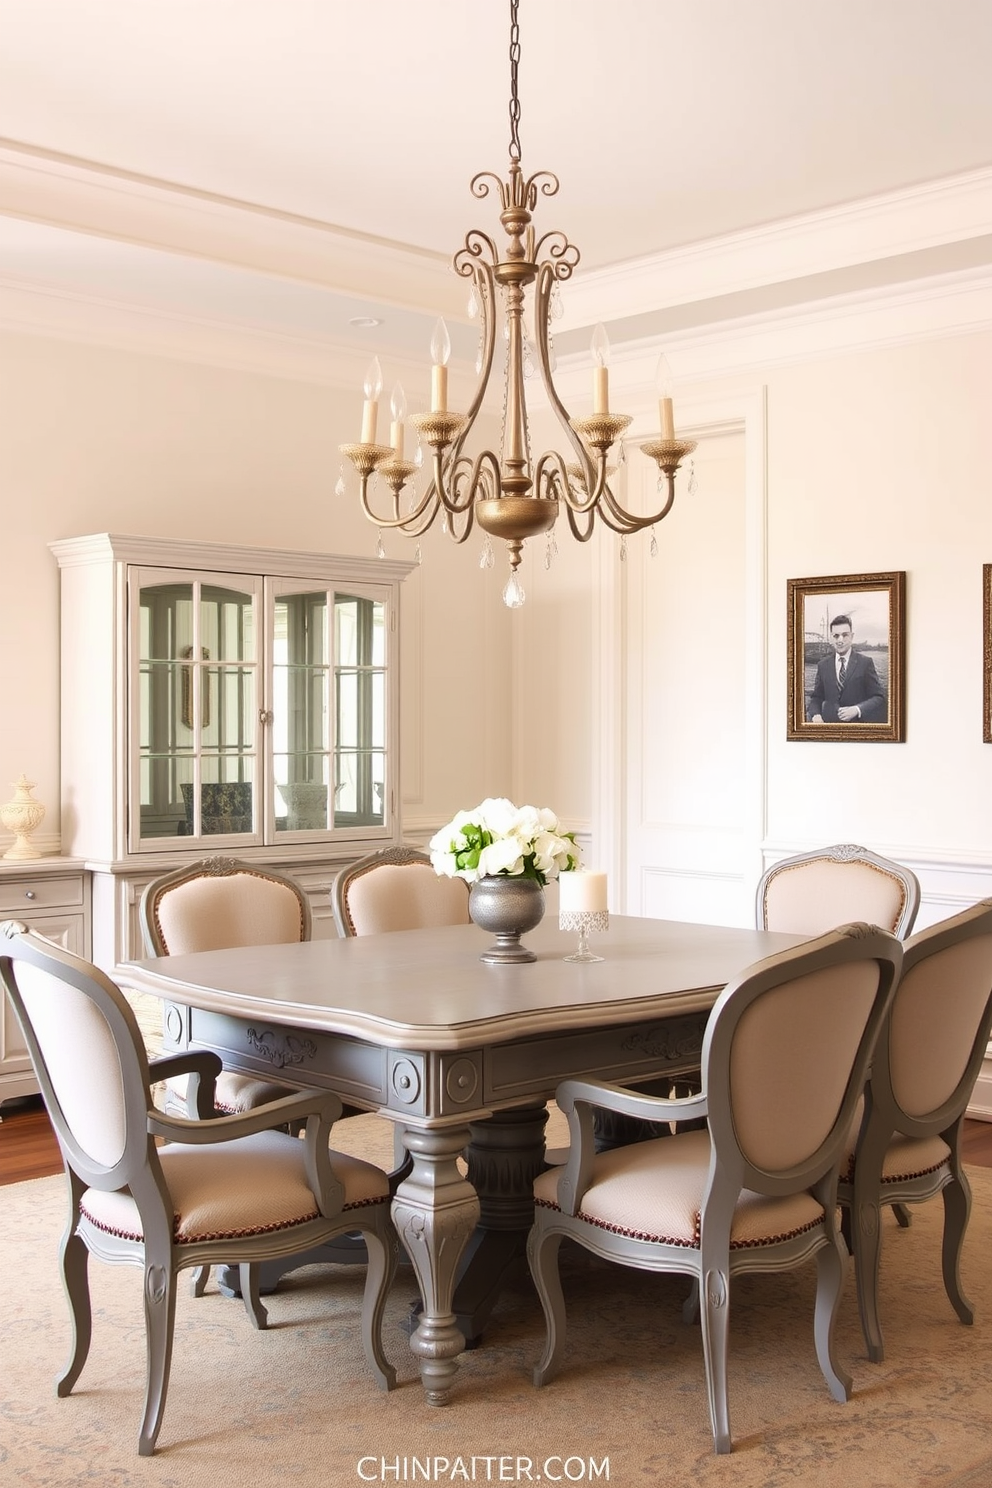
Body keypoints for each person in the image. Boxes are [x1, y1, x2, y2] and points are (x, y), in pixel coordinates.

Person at [806, 614, 887, 723]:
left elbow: (879, 697)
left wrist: (857, 709)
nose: (840, 640)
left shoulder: (865, 663)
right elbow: (816, 697)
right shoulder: (823, 665)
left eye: (845, 635)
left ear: (852, 636)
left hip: (856, 729)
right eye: (836, 636)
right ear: (831, 637)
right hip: (830, 728)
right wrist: (816, 714)